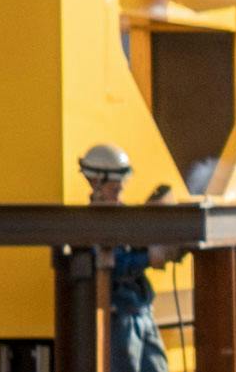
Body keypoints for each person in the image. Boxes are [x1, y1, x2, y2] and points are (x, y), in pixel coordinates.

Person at [79, 144, 181, 372]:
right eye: (115, 190)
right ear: (96, 182)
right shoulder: (89, 223)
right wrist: (148, 258)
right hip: (120, 319)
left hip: (141, 311)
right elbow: (110, 265)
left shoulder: (123, 217)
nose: (119, 194)